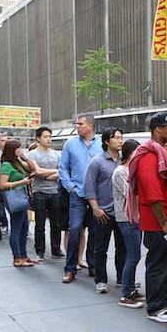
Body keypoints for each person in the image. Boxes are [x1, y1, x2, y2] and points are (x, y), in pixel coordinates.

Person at [131, 111, 167, 323]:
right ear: (158, 130)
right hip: (159, 224)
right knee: (157, 263)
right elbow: (153, 194)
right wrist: (164, 223)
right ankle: (155, 307)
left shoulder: (162, 154)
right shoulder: (148, 157)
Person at [60, 114, 102, 284]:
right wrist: (71, 187)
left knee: (95, 231)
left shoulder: (101, 144)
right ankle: (70, 268)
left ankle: (93, 266)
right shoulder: (70, 144)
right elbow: (62, 168)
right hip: (77, 194)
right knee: (75, 229)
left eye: (81, 124)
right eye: (77, 124)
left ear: (91, 125)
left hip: (97, 196)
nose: (78, 126)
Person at [85, 127, 127, 294]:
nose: (120, 140)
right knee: (100, 248)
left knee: (122, 247)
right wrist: (95, 208)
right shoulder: (97, 162)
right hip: (103, 212)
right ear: (107, 141)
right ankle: (101, 280)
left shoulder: (124, 161)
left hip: (122, 212)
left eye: (121, 137)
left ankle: (122, 277)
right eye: (116, 137)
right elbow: (89, 187)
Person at [114, 139, 145, 308]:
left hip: (136, 217)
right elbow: (131, 194)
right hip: (127, 218)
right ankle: (126, 294)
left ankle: (130, 289)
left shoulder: (132, 170)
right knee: (133, 255)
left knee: (132, 255)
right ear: (129, 153)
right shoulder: (121, 172)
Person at [0, 139, 37, 267]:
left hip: (22, 197)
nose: (20, 150)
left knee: (24, 227)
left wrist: (25, 157)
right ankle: (17, 257)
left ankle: (23, 255)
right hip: (14, 197)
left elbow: (32, 168)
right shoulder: (6, 165)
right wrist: (21, 182)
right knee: (16, 228)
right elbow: (2, 185)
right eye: (17, 148)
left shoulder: (17, 162)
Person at [28, 127, 64, 260]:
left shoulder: (57, 154)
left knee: (56, 223)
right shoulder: (32, 155)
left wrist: (44, 174)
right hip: (39, 192)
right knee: (40, 223)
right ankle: (40, 250)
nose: (48, 139)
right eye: (45, 136)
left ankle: (56, 248)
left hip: (55, 192)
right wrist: (48, 172)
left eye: (50, 136)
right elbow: (36, 172)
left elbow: (62, 172)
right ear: (38, 138)